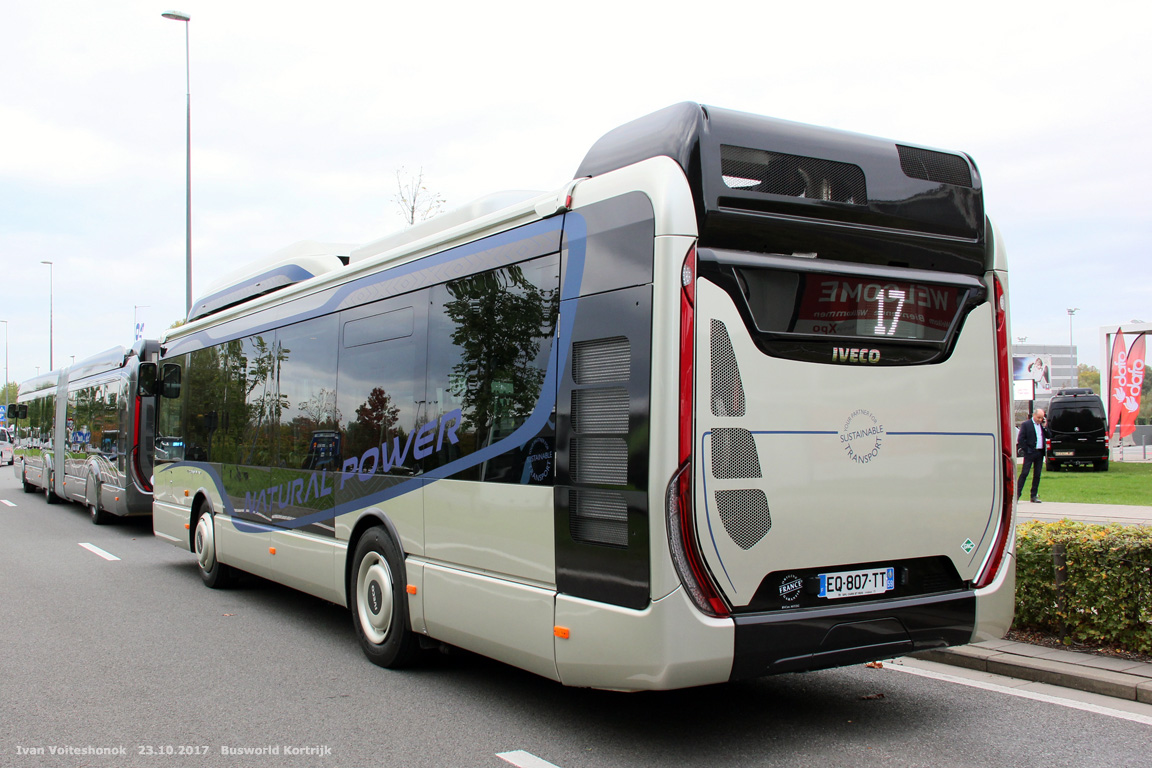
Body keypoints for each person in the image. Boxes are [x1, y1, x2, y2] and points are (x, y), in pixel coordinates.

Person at [1016, 407, 1050, 503]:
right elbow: (1021, 439)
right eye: (1038, 417)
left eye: (1042, 418)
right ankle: (1017, 494)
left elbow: (1049, 435)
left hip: (1040, 452)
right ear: (1034, 415)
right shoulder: (1026, 425)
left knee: (1037, 474)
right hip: (1030, 452)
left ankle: (1033, 495)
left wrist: (1044, 426)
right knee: (1025, 473)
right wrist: (1027, 450)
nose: (1040, 420)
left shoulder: (1041, 426)